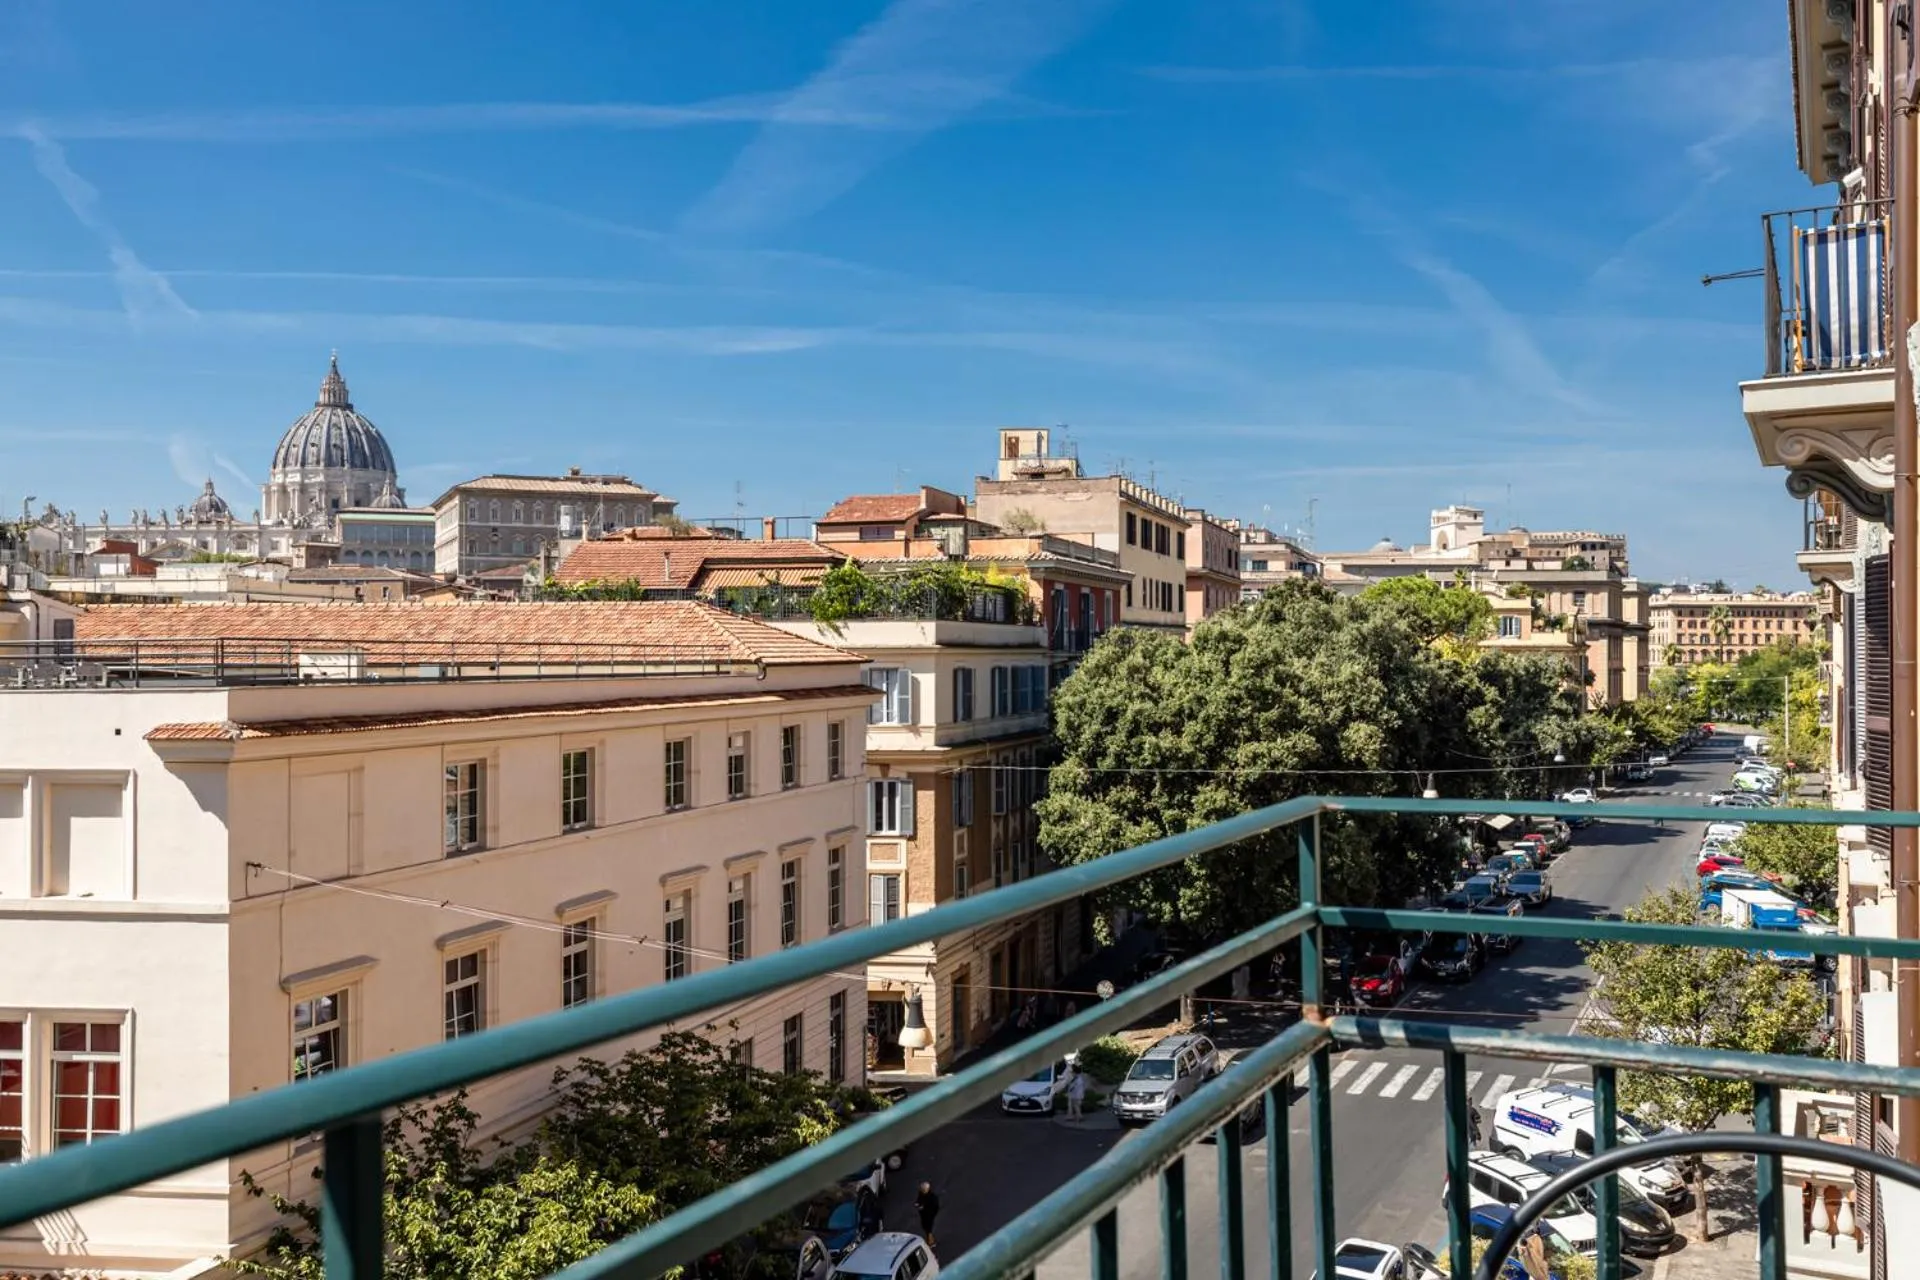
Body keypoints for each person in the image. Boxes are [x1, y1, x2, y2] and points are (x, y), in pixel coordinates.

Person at [914, 1182, 941, 1249]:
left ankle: (931, 1242)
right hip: (923, 1214)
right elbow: (919, 1200)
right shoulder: (921, 1194)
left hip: (929, 1214)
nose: (923, 1191)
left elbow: (935, 1206)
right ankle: (931, 1240)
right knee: (926, 1228)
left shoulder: (932, 1197)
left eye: (924, 1190)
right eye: (922, 1189)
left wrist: (925, 1208)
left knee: (928, 1229)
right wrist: (918, 1204)